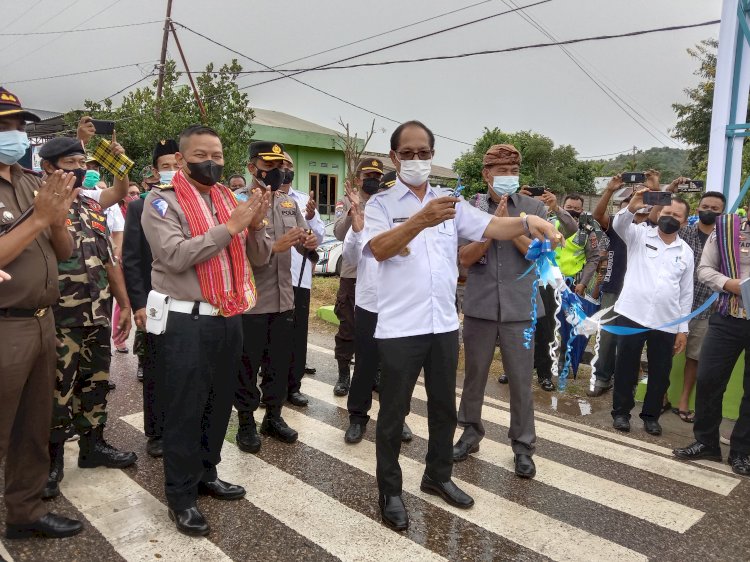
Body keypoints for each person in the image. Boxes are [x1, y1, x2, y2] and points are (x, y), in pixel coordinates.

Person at [362, 120, 561, 531]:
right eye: (409, 153)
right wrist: (420, 220)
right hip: (400, 327)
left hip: (442, 325)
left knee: (442, 408)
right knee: (393, 413)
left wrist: (529, 223)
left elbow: (490, 226)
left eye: (425, 153)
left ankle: (437, 476)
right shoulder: (381, 204)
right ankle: (390, 491)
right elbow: (379, 249)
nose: (417, 159)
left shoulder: (449, 201)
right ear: (395, 156)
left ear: (433, 156)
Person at [142, 125, 270, 535]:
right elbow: (176, 256)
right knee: (185, 407)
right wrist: (230, 227)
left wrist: (255, 226)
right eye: (201, 155)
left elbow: (258, 258)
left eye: (216, 155)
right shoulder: (161, 203)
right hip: (185, 320)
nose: (211, 162)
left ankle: (207, 473)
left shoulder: (226, 199)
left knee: (217, 403)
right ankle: (180, 495)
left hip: (228, 315)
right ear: (181, 159)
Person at [0, 88, 84, 539]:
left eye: (18, 126)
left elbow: (65, 250)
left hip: (41, 321)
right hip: (4, 326)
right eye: (4, 125)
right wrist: (36, 220)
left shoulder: (33, 182)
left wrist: (54, 219)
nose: (13, 134)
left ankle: (24, 513)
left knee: (33, 427)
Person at [38, 134, 138, 500]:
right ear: (49, 167)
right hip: (58, 314)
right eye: (71, 164)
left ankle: (92, 447)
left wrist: (124, 304)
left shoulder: (91, 206)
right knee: (55, 391)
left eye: (83, 164)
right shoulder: (37, 205)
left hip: (97, 313)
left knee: (95, 384)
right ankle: (51, 462)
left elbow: (110, 259)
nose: (80, 171)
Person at [453, 144, 545, 479]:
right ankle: (470, 433)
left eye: (513, 170)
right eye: (501, 170)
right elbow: (464, 258)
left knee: (521, 380)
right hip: (480, 305)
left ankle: (523, 447)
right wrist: (490, 230)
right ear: (486, 174)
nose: (508, 176)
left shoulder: (534, 208)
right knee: (474, 375)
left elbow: (537, 255)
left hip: (521, 307)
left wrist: (510, 224)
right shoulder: (469, 208)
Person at [233, 141, 319, 453]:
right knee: (247, 364)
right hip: (253, 302)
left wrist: (306, 241)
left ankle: (273, 415)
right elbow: (243, 253)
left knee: (278, 362)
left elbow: (302, 239)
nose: (276, 172)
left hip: (285, 298)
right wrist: (278, 246)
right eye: (269, 166)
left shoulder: (287, 203)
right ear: (252, 167)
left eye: (280, 167)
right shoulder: (239, 202)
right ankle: (245, 421)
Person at [610, 188, 693, 435]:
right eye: (667, 212)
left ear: (685, 221)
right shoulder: (639, 235)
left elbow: (686, 293)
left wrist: (683, 329)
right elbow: (619, 223)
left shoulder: (685, 252)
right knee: (625, 366)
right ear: (659, 212)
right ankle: (621, 413)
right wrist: (633, 205)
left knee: (660, 372)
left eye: (677, 215)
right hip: (632, 314)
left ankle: (651, 416)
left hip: (667, 321)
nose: (671, 217)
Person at [672, 213, 750, 476]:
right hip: (727, 316)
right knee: (708, 379)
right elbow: (704, 269)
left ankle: (742, 452)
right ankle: (706, 442)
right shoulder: (727, 228)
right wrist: (731, 285)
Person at [342, 169, 412, 444]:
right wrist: (358, 232)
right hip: (371, 303)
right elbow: (349, 256)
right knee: (366, 365)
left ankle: (398, 418)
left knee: (398, 367)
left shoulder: (410, 220)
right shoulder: (366, 216)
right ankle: (357, 418)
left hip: (401, 304)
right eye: (387, 191)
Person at [648, 185, 726, 422]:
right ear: (697, 209)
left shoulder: (725, 239)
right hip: (674, 307)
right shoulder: (683, 233)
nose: (709, 211)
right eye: (705, 207)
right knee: (664, 355)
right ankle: (660, 395)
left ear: (722, 213)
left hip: (705, 308)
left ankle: (683, 401)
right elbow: (654, 220)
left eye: (714, 209)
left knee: (694, 357)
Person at [122, 139, 179, 458]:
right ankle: (156, 432)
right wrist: (138, 303)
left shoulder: (194, 201)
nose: (171, 171)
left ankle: (182, 426)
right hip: (155, 301)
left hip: (189, 300)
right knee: (157, 366)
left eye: (176, 165)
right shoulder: (141, 204)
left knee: (186, 366)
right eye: (165, 166)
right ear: (155, 172)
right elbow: (131, 257)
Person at [333, 159, 385, 395]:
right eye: (368, 175)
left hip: (377, 275)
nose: (373, 179)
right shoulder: (346, 201)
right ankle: (344, 375)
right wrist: (353, 211)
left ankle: (374, 373)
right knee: (348, 327)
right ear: (358, 179)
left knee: (376, 329)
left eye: (377, 175)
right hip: (353, 275)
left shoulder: (385, 202)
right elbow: (338, 232)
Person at [279, 151, 324, 407]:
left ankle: (293, 387)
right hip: (270, 279)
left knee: (297, 335)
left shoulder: (305, 201)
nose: (284, 169)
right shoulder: (264, 198)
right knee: (271, 335)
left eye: (288, 165)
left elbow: (318, 237)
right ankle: (269, 385)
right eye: (279, 165)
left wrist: (308, 218)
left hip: (299, 279)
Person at [525, 189, 577, 390]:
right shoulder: (519, 221)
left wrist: (556, 207)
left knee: (546, 332)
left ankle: (545, 374)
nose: (538, 205)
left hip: (546, 284)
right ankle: (515, 370)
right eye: (533, 201)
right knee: (521, 330)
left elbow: (571, 229)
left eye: (543, 203)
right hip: (522, 283)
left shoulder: (553, 222)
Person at [589, 174, 631, 397]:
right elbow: (597, 215)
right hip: (613, 288)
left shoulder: (649, 228)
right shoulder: (615, 226)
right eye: (625, 208)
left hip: (638, 293)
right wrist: (609, 191)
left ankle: (627, 382)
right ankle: (602, 379)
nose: (630, 212)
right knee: (606, 337)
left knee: (631, 339)